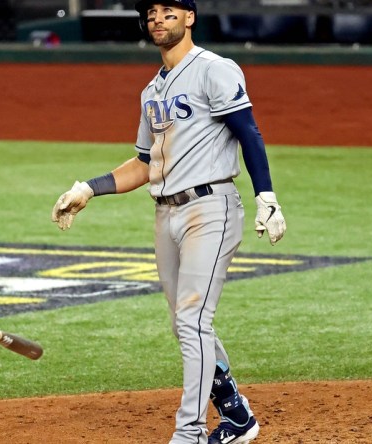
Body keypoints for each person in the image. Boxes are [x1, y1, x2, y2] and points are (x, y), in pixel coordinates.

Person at [50, 1, 287, 443]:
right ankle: (236, 414)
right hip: (166, 213)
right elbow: (144, 164)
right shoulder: (151, 91)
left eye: (169, 9)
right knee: (187, 323)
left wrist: (267, 196)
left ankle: (190, 433)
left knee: (193, 319)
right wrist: (87, 189)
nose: (158, 17)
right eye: (151, 12)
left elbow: (247, 131)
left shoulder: (214, 69)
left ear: (190, 17)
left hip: (210, 208)